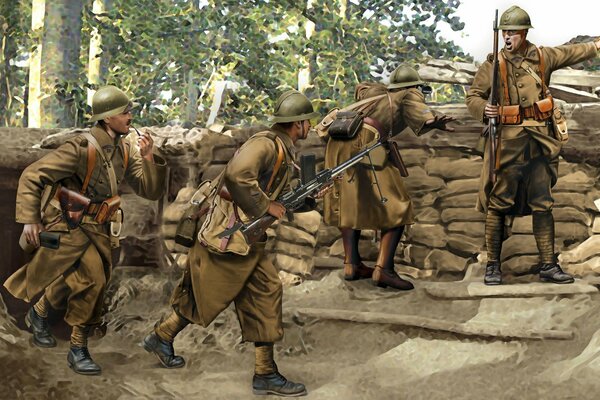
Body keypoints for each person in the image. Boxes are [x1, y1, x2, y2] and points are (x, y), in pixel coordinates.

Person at [142, 90, 319, 397]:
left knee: (266, 292)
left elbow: (277, 196)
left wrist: (308, 199)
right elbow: (238, 176)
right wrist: (265, 206)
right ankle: (162, 336)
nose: (310, 129)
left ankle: (265, 373)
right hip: (228, 237)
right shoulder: (265, 145)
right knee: (205, 294)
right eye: (307, 123)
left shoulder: (280, 148)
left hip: (246, 239)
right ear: (298, 123)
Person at [3, 85, 167, 374]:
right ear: (107, 119)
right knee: (91, 280)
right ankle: (78, 349)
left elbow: (149, 190)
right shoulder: (80, 148)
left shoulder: (125, 148)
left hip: (99, 228)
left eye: (129, 110)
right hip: (69, 226)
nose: (130, 115)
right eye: (124, 111)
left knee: (76, 280)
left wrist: (149, 156)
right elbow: (32, 175)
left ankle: (40, 315)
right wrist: (30, 219)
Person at [466, 5, 600, 285]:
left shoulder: (543, 56)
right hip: (508, 143)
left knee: (543, 203)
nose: (507, 37)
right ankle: (493, 265)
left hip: (540, 141)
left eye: (512, 32)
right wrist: (484, 109)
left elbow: (577, 52)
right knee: (498, 202)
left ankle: (548, 266)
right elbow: (474, 96)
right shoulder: (493, 64)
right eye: (505, 32)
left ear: (524, 33)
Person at [322, 65, 455, 290]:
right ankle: (383, 270)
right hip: (365, 142)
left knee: (349, 202)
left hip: (339, 144)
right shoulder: (409, 93)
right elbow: (421, 112)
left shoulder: (375, 94)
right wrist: (433, 121)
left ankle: (351, 264)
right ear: (412, 86)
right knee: (398, 206)